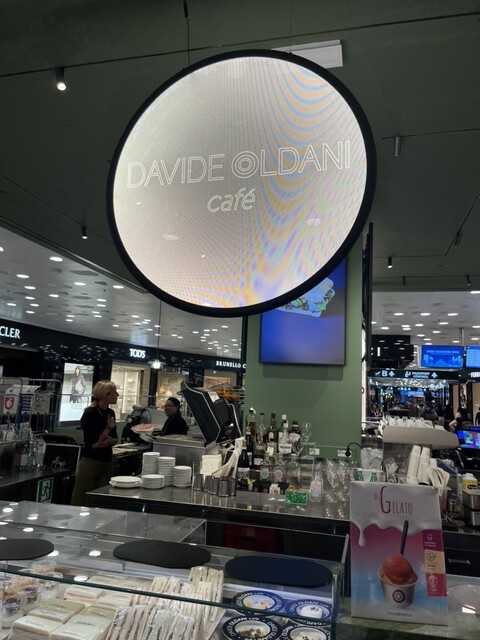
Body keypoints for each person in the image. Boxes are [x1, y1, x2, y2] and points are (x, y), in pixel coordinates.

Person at [71, 380, 119, 506]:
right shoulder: (90, 414)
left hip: (106, 462)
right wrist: (108, 428)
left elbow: (115, 438)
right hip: (91, 463)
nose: (117, 395)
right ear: (106, 395)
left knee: (102, 500)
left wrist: (111, 441)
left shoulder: (110, 413)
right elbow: (95, 444)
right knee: (83, 499)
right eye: (114, 392)